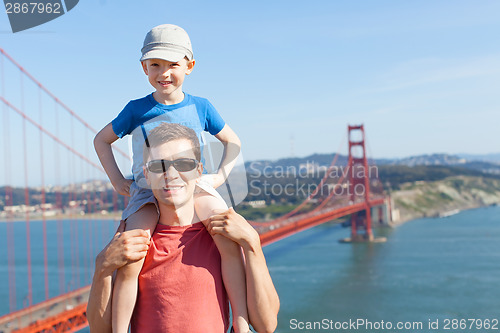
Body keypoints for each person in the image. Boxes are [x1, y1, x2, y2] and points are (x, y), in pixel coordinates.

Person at [93, 25, 247, 332]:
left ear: (190, 66)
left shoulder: (201, 106)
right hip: (146, 190)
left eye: (173, 64)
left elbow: (234, 142)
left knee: (229, 243)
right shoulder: (136, 109)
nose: (164, 73)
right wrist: (116, 180)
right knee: (132, 257)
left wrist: (219, 176)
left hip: (193, 185)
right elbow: (101, 140)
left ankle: (241, 324)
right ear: (144, 68)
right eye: (155, 65)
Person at [87, 123, 279, 332]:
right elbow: (100, 330)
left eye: (184, 164)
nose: (171, 174)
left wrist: (253, 244)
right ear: (147, 175)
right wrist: (102, 268)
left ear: (199, 171)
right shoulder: (132, 242)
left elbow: (266, 326)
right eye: (157, 166)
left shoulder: (221, 234)